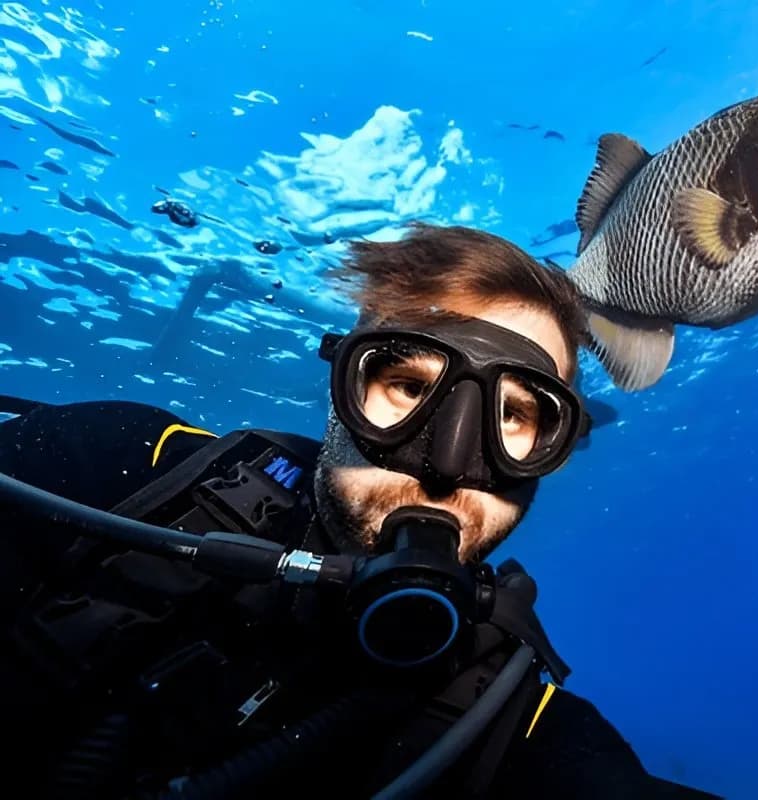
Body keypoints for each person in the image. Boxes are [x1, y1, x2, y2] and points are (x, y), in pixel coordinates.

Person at [0, 223, 720, 800]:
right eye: (408, 387)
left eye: (517, 415)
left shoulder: (496, 725)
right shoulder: (120, 472)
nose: (445, 462)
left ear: (552, 452)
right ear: (339, 390)